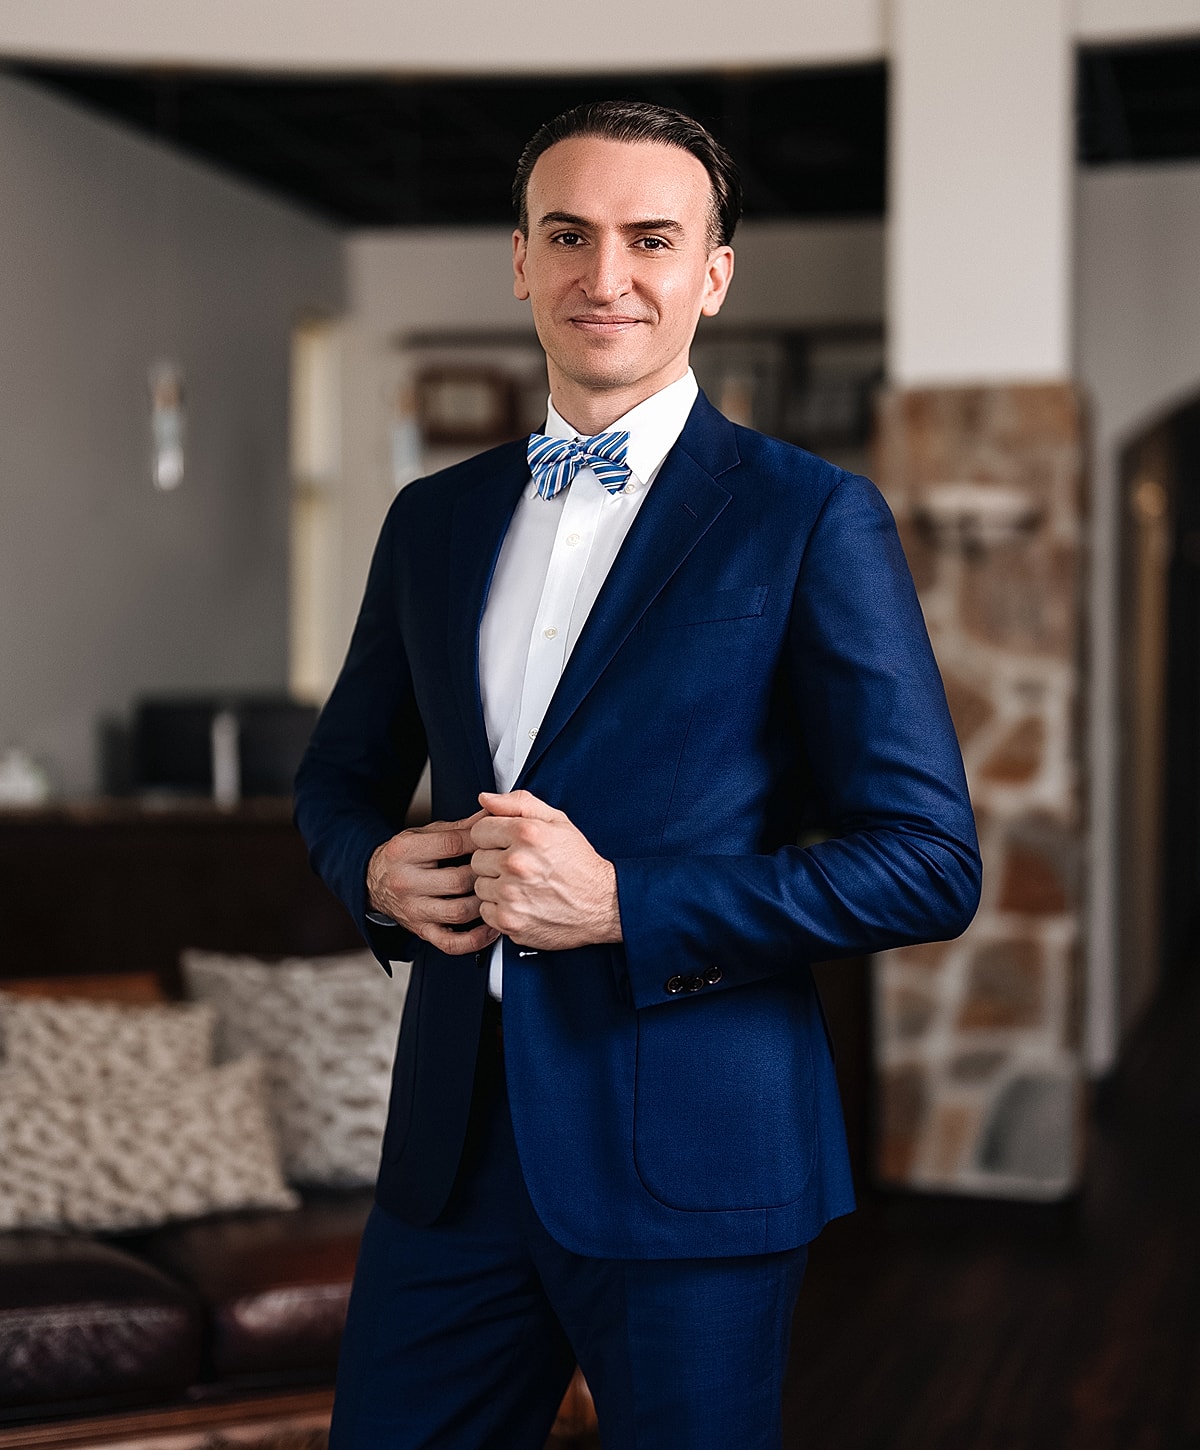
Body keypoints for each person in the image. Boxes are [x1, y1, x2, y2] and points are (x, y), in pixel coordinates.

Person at [294, 99, 981, 1450]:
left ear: (710, 275)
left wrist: (626, 904)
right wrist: (369, 869)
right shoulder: (431, 520)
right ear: (520, 260)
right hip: (450, 1153)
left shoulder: (811, 516)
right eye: (569, 234)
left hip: (697, 1158)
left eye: (650, 239)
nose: (605, 275)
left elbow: (929, 858)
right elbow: (337, 777)